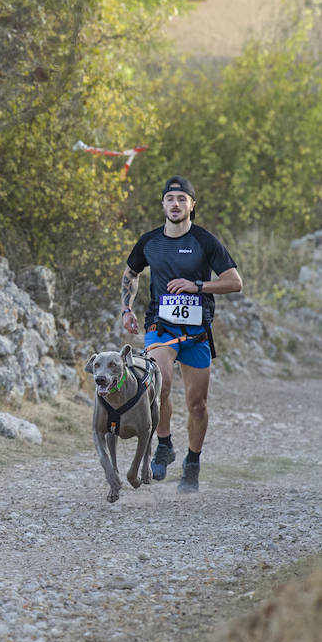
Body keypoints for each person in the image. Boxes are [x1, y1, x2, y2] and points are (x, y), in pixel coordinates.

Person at [119, 175, 242, 493]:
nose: (175, 204)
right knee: (159, 383)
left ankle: (193, 462)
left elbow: (234, 282)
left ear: (192, 205)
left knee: (197, 404)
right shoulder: (150, 242)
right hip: (160, 326)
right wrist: (126, 309)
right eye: (170, 198)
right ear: (163, 204)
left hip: (197, 333)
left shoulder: (204, 241)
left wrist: (198, 285)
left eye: (182, 199)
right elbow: (130, 273)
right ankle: (164, 445)